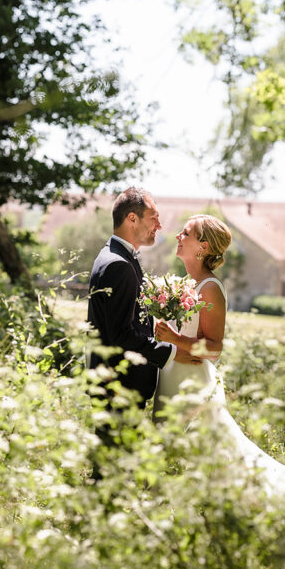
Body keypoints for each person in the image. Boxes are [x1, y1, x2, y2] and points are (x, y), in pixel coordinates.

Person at [152, 214, 285, 505]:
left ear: (203, 246)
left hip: (193, 385)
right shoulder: (187, 284)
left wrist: (174, 339)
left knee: (209, 454)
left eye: (186, 233)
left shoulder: (210, 288)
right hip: (173, 377)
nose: (178, 236)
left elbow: (213, 349)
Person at [87, 188, 203, 465]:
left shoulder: (117, 257)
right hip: (118, 385)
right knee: (112, 470)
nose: (159, 226)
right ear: (132, 219)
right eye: (154, 217)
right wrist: (172, 352)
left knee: (114, 467)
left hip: (115, 383)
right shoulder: (118, 265)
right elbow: (121, 334)